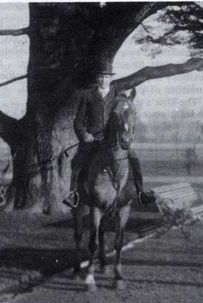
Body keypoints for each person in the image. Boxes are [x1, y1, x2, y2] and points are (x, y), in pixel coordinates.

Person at [63, 59, 155, 208]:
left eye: (106, 77)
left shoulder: (117, 95)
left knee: (134, 158)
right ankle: (73, 194)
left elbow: (126, 113)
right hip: (92, 139)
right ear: (96, 78)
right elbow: (78, 121)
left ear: (111, 78)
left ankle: (141, 193)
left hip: (114, 140)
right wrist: (84, 134)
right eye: (100, 76)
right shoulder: (87, 96)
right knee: (78, 161)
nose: (103, 79)